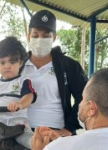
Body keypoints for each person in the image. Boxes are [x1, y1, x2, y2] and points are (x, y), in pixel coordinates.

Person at [22, 9, 88, 139]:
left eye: (46, 36)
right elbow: (3, 90)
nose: (40, 39)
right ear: (28, 36)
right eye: (35, 35)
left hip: (56, 134)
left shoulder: (68, 66)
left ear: (54, 37)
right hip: (22, 132)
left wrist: (69, 127)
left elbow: (85, 96)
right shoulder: (17, 65)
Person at [0, 36, 36, 149]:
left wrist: (19, 104)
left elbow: (29, 96)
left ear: (20, 63)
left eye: (12, 62)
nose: (7, 66)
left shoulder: (23, 81)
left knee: (31, 143)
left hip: (18, 126)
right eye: (2, 62)